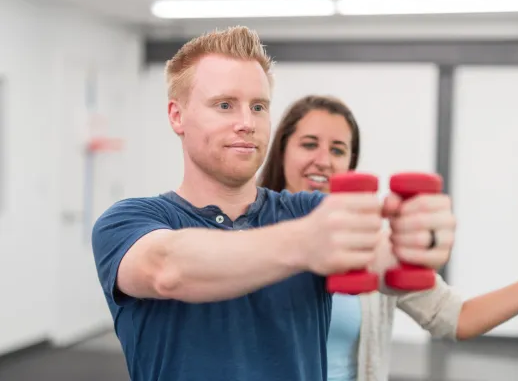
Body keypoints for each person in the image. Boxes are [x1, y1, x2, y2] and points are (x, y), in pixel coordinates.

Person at [91, 26, 456, 381]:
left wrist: (419, 240)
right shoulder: (128, 221)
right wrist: (305, 243)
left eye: (259, 107)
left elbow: (382, 257)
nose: (247, 123)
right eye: (225, 105)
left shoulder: (307, 211)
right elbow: (167, 269)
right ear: (177, 115)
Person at [259, 94, 518, 381]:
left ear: (350, 165)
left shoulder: (373, 249)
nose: (323, 160)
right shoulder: (245, 232)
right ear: (282, 151)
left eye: (338, 150)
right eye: (309, 144)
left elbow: (458, 318)